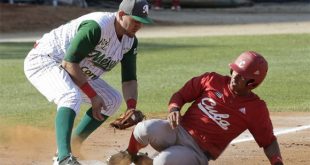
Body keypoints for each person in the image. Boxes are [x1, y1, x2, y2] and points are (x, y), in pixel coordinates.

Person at [23, 0, 152, 164]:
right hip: (46, 60)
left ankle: (73, 145)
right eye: (135, 20)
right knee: (70, 96)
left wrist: (131, 107)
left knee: (112, 100)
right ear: (121, 15)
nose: (138, 25)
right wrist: (92, 95)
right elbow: (69, 62)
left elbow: (129, 79)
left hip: (74, 69)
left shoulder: (130, 41)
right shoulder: (97, 26)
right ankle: (62, 158)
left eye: (142, 22)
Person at [109, 51, 284, 165]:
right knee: (143, 128)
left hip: (197, 152)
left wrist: (277, 162)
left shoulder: (256, 109)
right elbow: (180, 95)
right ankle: (130, 155)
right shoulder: (212, 80)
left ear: (252, 83)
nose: (234, 77)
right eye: (234, 71)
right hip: (177, 130)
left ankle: (149, 163)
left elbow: (268, 141)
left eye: (241, 77)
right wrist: (174, 109)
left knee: (163, 162)